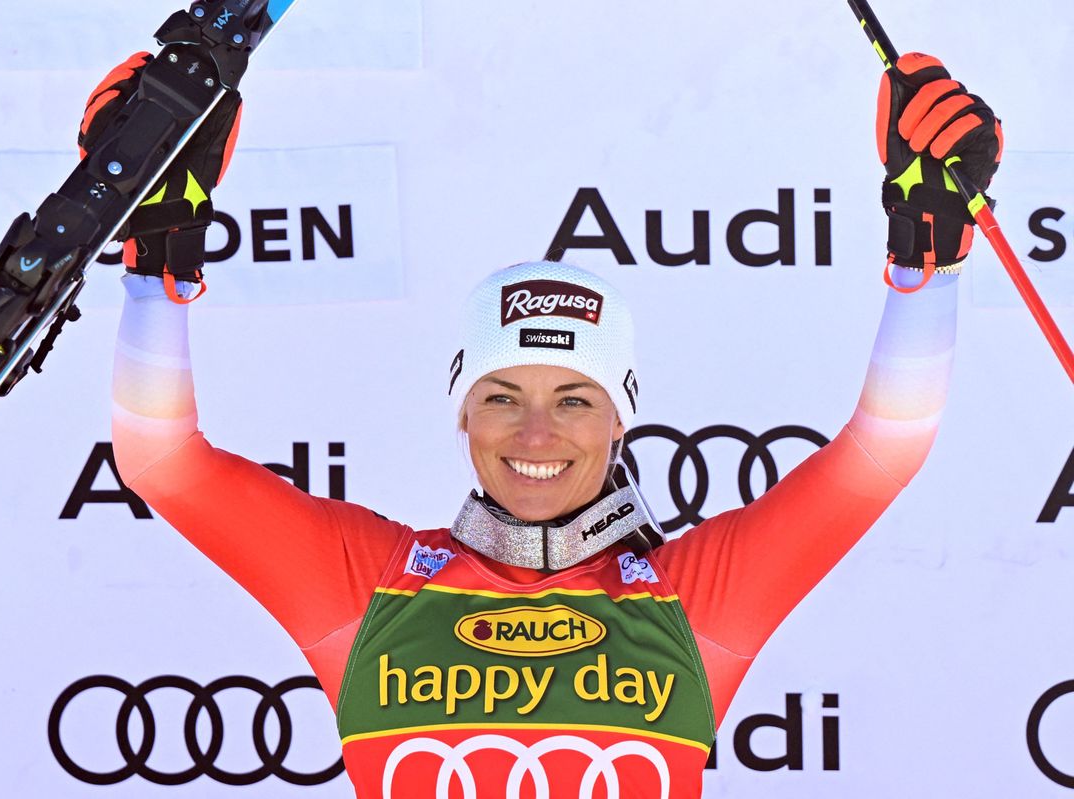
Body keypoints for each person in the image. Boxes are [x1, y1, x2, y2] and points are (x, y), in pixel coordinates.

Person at [94, 48, 1002, 798]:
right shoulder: (371, 590)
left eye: (574, 399)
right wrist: (159, 254)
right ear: (462, 413)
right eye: (502, 397)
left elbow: (885, 449)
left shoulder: (690, 604)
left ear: (620, 422)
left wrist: (929, 252)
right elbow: (160, 458)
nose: (535, 435)